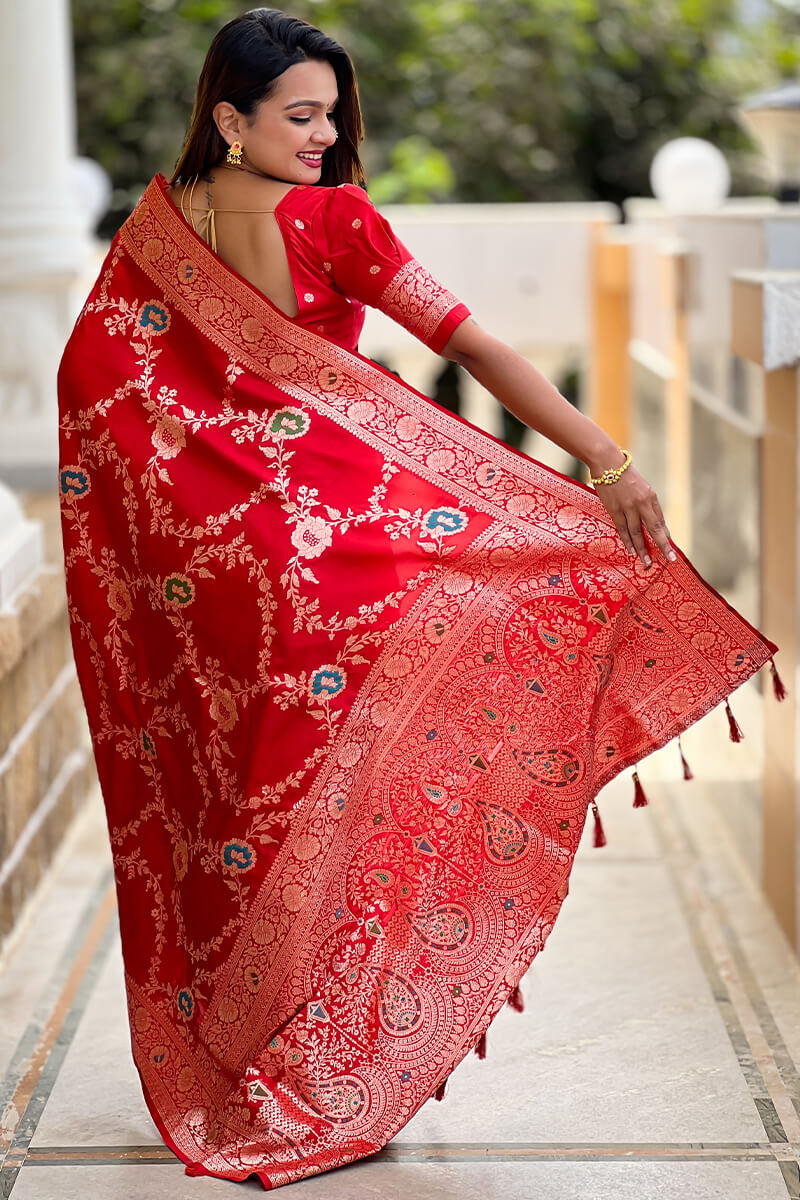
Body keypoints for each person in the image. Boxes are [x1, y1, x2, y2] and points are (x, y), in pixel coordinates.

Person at [57, 7, 783, 1191]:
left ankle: (249, 1067)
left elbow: (90, 382)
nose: (324, 132)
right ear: (228, 119)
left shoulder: (159, 227)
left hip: (225, 593)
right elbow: (474, 344)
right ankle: (312, 1064)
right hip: (348, 577)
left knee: (247, 817)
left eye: (330, 112)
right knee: (348, 805)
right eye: (298, 113)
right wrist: (603, 462)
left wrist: (188, 523)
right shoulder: (334, 220)